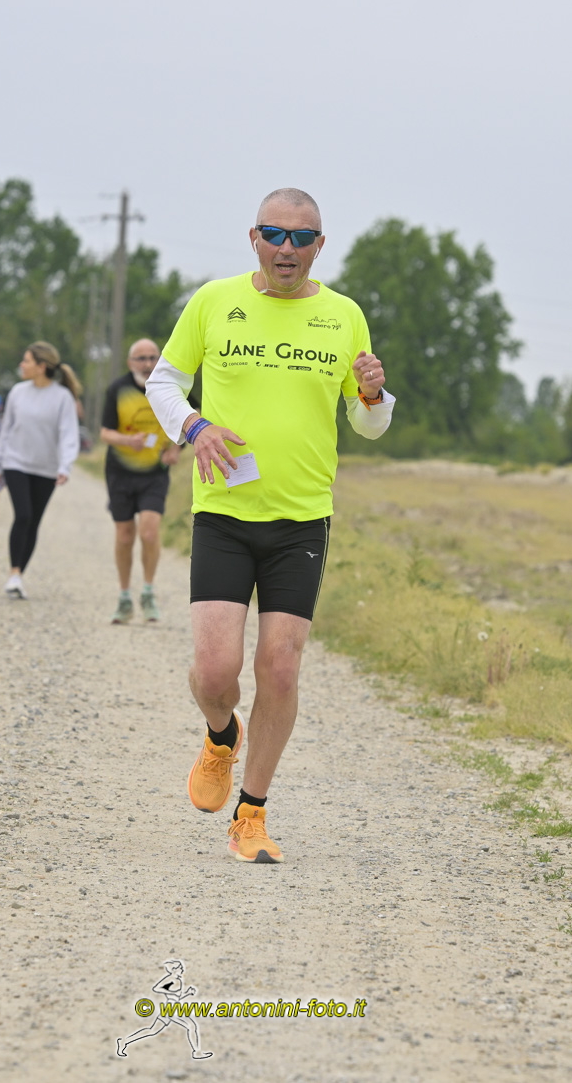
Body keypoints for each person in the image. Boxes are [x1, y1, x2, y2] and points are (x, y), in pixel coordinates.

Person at [145, 188, 395, 864]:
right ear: (252, 238)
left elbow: (368, 423)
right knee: (214, 671)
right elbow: (163, 382)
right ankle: (221, 735)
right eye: (274, 235)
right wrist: (193, 426)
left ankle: (251, 814)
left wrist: (373, 394)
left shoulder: (344, 316)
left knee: (280, 670)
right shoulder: (212, 301)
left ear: (320, 245)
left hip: (301, 520)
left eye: (301, 237)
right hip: (225, 512)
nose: (287, 249)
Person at [0, 341, 81, 600]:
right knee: (23, 515)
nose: (21, 365)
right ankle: (13, 572)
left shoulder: (62, 397)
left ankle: (19, 576)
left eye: (27, 361)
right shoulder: (17, 392)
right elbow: (6, 429)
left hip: (46, 469)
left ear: (41, 366)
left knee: (34, 521)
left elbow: (68, 434)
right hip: (15, 463)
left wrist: (65, 466)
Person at [100, 338, 181, 624]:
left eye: (152, 357)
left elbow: (191, 419)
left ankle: (148, 592)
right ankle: (124, 597)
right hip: (120, 472)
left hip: (154, 473)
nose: (147, 364)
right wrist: (127, 441)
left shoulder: (170, 387)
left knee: (149, 532)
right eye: (141, 358)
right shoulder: (117, 389)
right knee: (125, 535)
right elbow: (105, 433)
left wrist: (177, 448)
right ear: (130, 362)